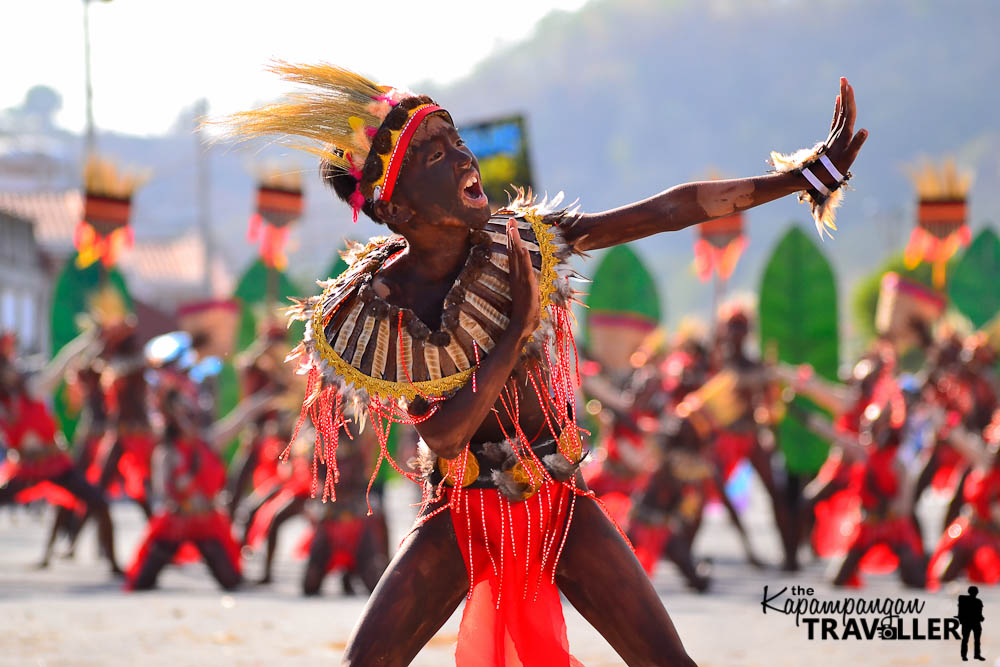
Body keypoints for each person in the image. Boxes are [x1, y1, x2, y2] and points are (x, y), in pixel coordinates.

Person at [225, 62, 865, 665]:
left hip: (559, 500)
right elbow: (444, 436)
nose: (464, 157)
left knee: (669, 661)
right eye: (436, 153)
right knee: (365, 661)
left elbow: (667, 211)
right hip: (464, 509)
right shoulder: (380, 306)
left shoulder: (523, 243)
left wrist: (801, 178)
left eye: (456, 139)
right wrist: (515, 332)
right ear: (397, 209)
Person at [0, 329, 122, 574]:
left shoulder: (32, 388)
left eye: (10, 366)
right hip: (23, 467)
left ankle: (113, 563)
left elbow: (63, 362)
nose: (11, 371)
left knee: (99, 501)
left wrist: (88, 339)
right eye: (5, 368)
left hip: (55, 463)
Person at [957, 585, 985, 661]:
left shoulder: (968, 601)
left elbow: (979, 613)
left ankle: (968, 655)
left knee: (968, 640)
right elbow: (980, 613)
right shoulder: (977, 601)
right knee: (972, 640)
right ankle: (972, 655)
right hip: (971, 623)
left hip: (971, 623)